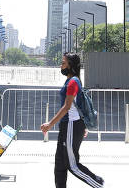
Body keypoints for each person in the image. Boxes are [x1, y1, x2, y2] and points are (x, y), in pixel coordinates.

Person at [41, 52, 104, 188]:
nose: (61, 65)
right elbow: (78, 105)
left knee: (72, 165)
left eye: (64, 63)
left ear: (71, 66)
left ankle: (99, 184)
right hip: (68, 126)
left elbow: (67, 107)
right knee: (60, 164)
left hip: (71, 125)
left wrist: (50, 124)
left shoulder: (73, 82)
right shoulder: (70, 80)